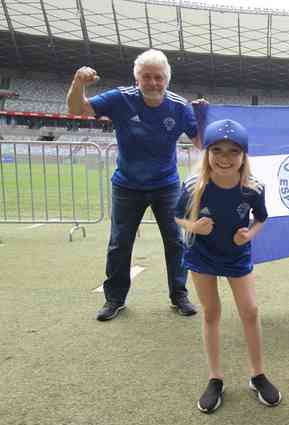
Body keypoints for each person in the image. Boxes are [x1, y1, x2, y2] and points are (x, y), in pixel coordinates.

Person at [66, 49, 201, 321]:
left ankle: (179, 294)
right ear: (136, 78)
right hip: (127, 184)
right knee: (119, 243)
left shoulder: (179, 106)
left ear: (167, 79)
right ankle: (114, 299)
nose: (153, 82)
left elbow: (200, 141)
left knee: (176, 241)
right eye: (146, 76)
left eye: (158, 77)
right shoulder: (120, 98)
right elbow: (76, 108)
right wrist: (78, 83)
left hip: (166, 185)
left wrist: (206, 115)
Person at [175, 118, 281, 413]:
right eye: (217, 150)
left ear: (244, 155)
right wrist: (195, 227)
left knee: (250, 311)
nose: (224, 158)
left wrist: (249, 233)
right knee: (211, 312)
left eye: (233, 151)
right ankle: (215, 378)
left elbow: (261, 218)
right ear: (206, 152)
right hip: (202, 256)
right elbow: (177, 218)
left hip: (236, 256)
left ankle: (258, 374)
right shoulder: (194, 186)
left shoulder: (253, 189)